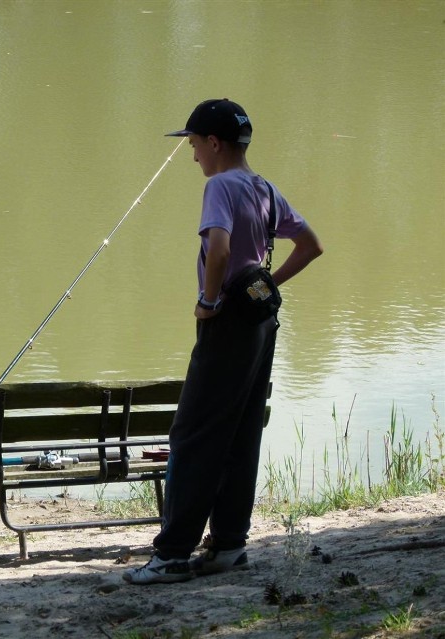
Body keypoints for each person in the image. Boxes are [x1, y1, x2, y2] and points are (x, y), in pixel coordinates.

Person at [123, 99, 324, 585]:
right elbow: (312, 245)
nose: (193, 156)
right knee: (240, 433)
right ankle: (229, 544)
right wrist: (268, 285)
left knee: (193, 436)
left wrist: (209, 301)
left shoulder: (220, 186)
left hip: (227, 324)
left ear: (214, 143)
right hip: (261, 323)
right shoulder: (264, 188)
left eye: (194, 144)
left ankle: (172, 554)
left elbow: (219, 248)